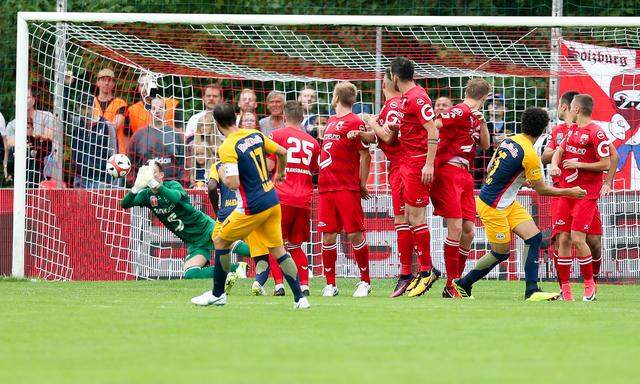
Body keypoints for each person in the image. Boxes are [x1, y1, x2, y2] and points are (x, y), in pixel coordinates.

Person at [453, 108, 586, 300]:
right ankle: (463, 284)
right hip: (492, 206)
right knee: (501, 253)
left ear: (523, 124)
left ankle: (532, 291)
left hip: (506, 202)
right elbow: (542, 190)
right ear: (542, 131)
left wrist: (517, 180)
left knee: (534, 238)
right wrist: (570, 192)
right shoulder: (531, 155)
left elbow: (492, 167)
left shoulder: (510, 140)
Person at [191, 103, 309, 309]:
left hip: (252, 206)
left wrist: (224, 178)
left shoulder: (227, 147)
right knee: (279, 250)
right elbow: (282, 152)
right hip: (272, 200)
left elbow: (234, 183)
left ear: (218, 125)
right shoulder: (255, 135)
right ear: (236, 118)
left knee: (220, 241)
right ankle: (300, 299)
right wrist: (280, 173)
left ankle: (218, 294)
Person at [542, 91, 619, 286]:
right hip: (562, 193)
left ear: (568, 107)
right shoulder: (561, 131)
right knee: (563, 240)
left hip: (585, 193)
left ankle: (592, 279)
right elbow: (547, 155)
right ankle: (564, 288)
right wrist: (555, 161)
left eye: (560, 105)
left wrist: (607, 182)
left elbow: (613, 157)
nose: (559, 109)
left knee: (592, 241)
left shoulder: (593, 131)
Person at [121, 161, 240, 284]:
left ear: (161, 175)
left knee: (233, 244)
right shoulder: (147, 195)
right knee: (190, 273)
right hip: (193, 240)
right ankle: (236, 269)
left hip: (204, 227)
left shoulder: (173, 185)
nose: (150, 175)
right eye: (148, 173)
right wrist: (136, 188)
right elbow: (124, 204)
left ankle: (260, 260)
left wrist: (154, 184)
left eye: (153, 172)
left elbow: (175, 198)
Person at [429, 78, 491, 298]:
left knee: (468, 231)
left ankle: (452, 284)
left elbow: (485, 145)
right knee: (455, 229)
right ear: (484, 98)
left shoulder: (473, 115)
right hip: (449, 171)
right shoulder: (460, 110)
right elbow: (436, 123)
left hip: (465, 174)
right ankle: (452, 283)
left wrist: (482, 122)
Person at [388, 56, 439, 297]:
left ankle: (428, 271)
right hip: (409, 161)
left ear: (395, 77)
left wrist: (428, 164)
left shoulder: (417, 97)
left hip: (418, 163)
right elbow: (419, 126)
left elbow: (432, 130)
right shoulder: (410, 97)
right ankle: (419, 271)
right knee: (409, 216)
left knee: (417, 217)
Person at [355, 69, 408, 297]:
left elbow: (389, 137)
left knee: (406, 220)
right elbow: (376, 137)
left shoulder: (394, 105)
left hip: (403, 166)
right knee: (406, 220)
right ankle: (415, 271)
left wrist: (370, 121)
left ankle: (412, 273)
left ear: (386, 82)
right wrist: (358, 132)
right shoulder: (389, 107)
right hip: (398, 167)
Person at [318, 82, 372, 298]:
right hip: (326, 187)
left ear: (335, 98)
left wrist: (361, 183)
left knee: (354, 233)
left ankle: (365, 282)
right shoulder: (331, 122)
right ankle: (330, 284)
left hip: (346, 187)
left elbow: (365, 155)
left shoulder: (355, 121)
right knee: (328, 236)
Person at [263, 100, 320, 297]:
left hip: (280, 197)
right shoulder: (313, 142)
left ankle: (279, 284)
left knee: (275, 244)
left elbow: (270, 167)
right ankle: (304, 284)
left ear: (284, 116)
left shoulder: (276, 135)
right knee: (296, 246)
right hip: (303, 200)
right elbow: (313, 171)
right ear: (302, 117)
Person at [127, 97, 186, 185]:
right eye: (154, 108)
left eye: (161, 108)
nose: (157, 111)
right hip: (145, 187)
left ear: (166, 111)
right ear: (150, 111)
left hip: (171, 186)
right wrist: (135, 184)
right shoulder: (139, 135)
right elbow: (130, 163)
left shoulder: (176, 135)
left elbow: (183, 165)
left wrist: (179, 187)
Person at [70, 96, 118, 188]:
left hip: (101, 180)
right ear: (77, 108)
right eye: (83, 107)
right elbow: (63, 114)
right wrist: (67, 86)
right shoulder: (75, 124)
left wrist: (110, 182)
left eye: (89, 106)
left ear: (94, 106)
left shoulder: (107, 126)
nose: (87, 110)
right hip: (80, 178)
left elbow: (114, 156)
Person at [92, 68, 128, 153]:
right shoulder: (90, 102)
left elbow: (114, 126)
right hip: (94, 150)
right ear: (97, 83)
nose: (106, 83)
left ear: (113, 84)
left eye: (109, 80)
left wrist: (95, 125)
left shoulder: (120, 103)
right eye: (103, 80)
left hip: (115, 150)